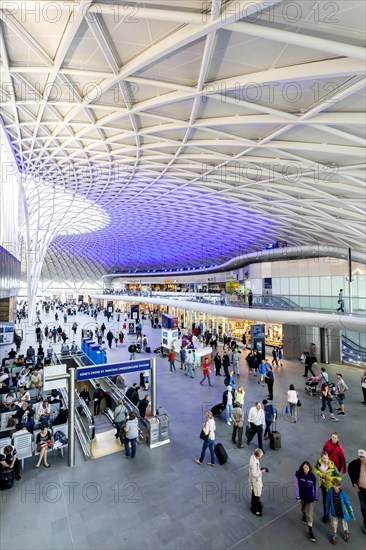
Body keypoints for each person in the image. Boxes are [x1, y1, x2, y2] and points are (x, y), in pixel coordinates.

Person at [314, 451, 342, 523]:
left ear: (328, 458)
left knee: (332, 501)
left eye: (327, 458)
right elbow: (315, 469)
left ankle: (335, 516)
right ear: (321, 458)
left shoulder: (332, 467)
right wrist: (321, 474)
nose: (326, 460)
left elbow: (340, 477)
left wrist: (330, 478)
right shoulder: (319, 463)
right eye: (324, 458)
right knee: (325, 501)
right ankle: (326, 515)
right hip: (323, 486)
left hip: (330, 487)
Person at [294, 461, 318, 543]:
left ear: (309, 468)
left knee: (309, 514)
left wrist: (316, 496)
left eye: (307, 468)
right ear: (302, 467)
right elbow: (296, 485)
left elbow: (316, 486)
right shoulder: (298, 474)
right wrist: (297, 496)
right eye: (304, 467)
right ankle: (303, 514)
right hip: (302, 497)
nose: (305, 469)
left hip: (310, 498)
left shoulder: (312, 477)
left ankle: (310, 531)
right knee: (302, 508)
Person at [326, 478, 355, 543]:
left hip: (342, 513)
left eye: (336, 485)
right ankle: (334, 535)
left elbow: (348, 505)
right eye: (333, 485)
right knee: (334, 524)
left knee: (344, 523)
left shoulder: (343, 494)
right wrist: (327, 512)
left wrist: (351, 514)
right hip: (334, 512)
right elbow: (327, 502)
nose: (334, 487)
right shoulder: (330, 491)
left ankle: (346, 532)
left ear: (339, 486)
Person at [347, 449, 366, 534]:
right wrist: (354, 482)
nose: (362, 458)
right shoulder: (355, 463)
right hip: (361, 489)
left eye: (363, 457)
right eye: (360, 457)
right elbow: (350, 470)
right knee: (364, 507)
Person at [248, 448, 265, 516]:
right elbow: (254, 474)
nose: (261, 457)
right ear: (257, 456)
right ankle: (256, 510)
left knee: (253, 494)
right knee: (257, 496)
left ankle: (253, 507)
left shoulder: (252, 457)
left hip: (253, 481)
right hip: (256, 482)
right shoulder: (254, 463)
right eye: (260, 456)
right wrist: (261, 472)